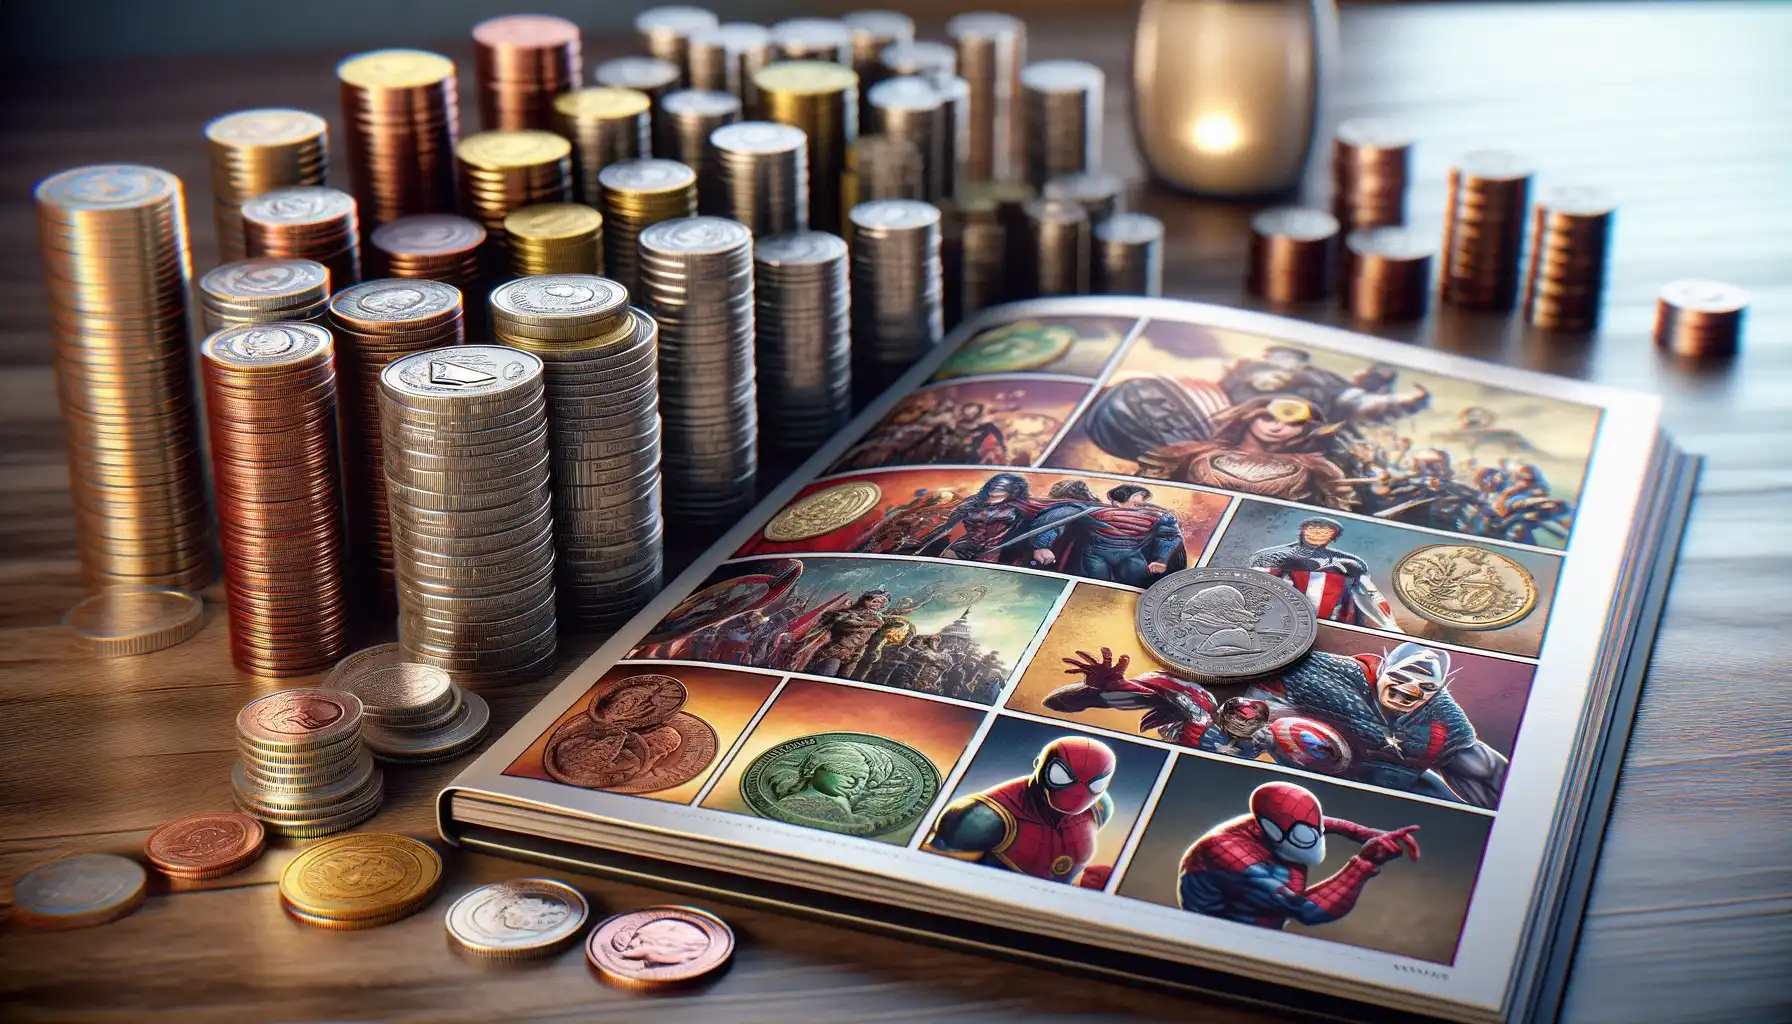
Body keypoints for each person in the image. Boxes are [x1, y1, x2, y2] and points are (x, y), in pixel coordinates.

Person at [1177, 781, 1421, 929]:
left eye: (1314, 829)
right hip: (1229, 929)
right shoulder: (1228, 852)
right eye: (1301, 835)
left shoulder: (1276, 823)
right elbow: (1307, 911)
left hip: (1264, 919)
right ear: (1267, 827)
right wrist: (1364, 863)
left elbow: (1328, 824)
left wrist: (1370, 834)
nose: (1312, 839)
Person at [922, 736, 1118, 887]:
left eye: (1095, 784)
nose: (1076, 794)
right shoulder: (981, 817)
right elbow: (931, 877)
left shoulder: (1100, 808)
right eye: (1062, 775)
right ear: (1038, 765)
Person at [1247, 516, 1401, 632]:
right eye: (1312, 528)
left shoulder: (1349, 564)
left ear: (1333, 536)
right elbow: (1258, 589)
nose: (1317, 533)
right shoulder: (1270, 557)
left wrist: (1390, 625)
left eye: (1325, 531)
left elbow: (1371, 595)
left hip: (1335, 624)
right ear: (1302, 531)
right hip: (1281, 623)